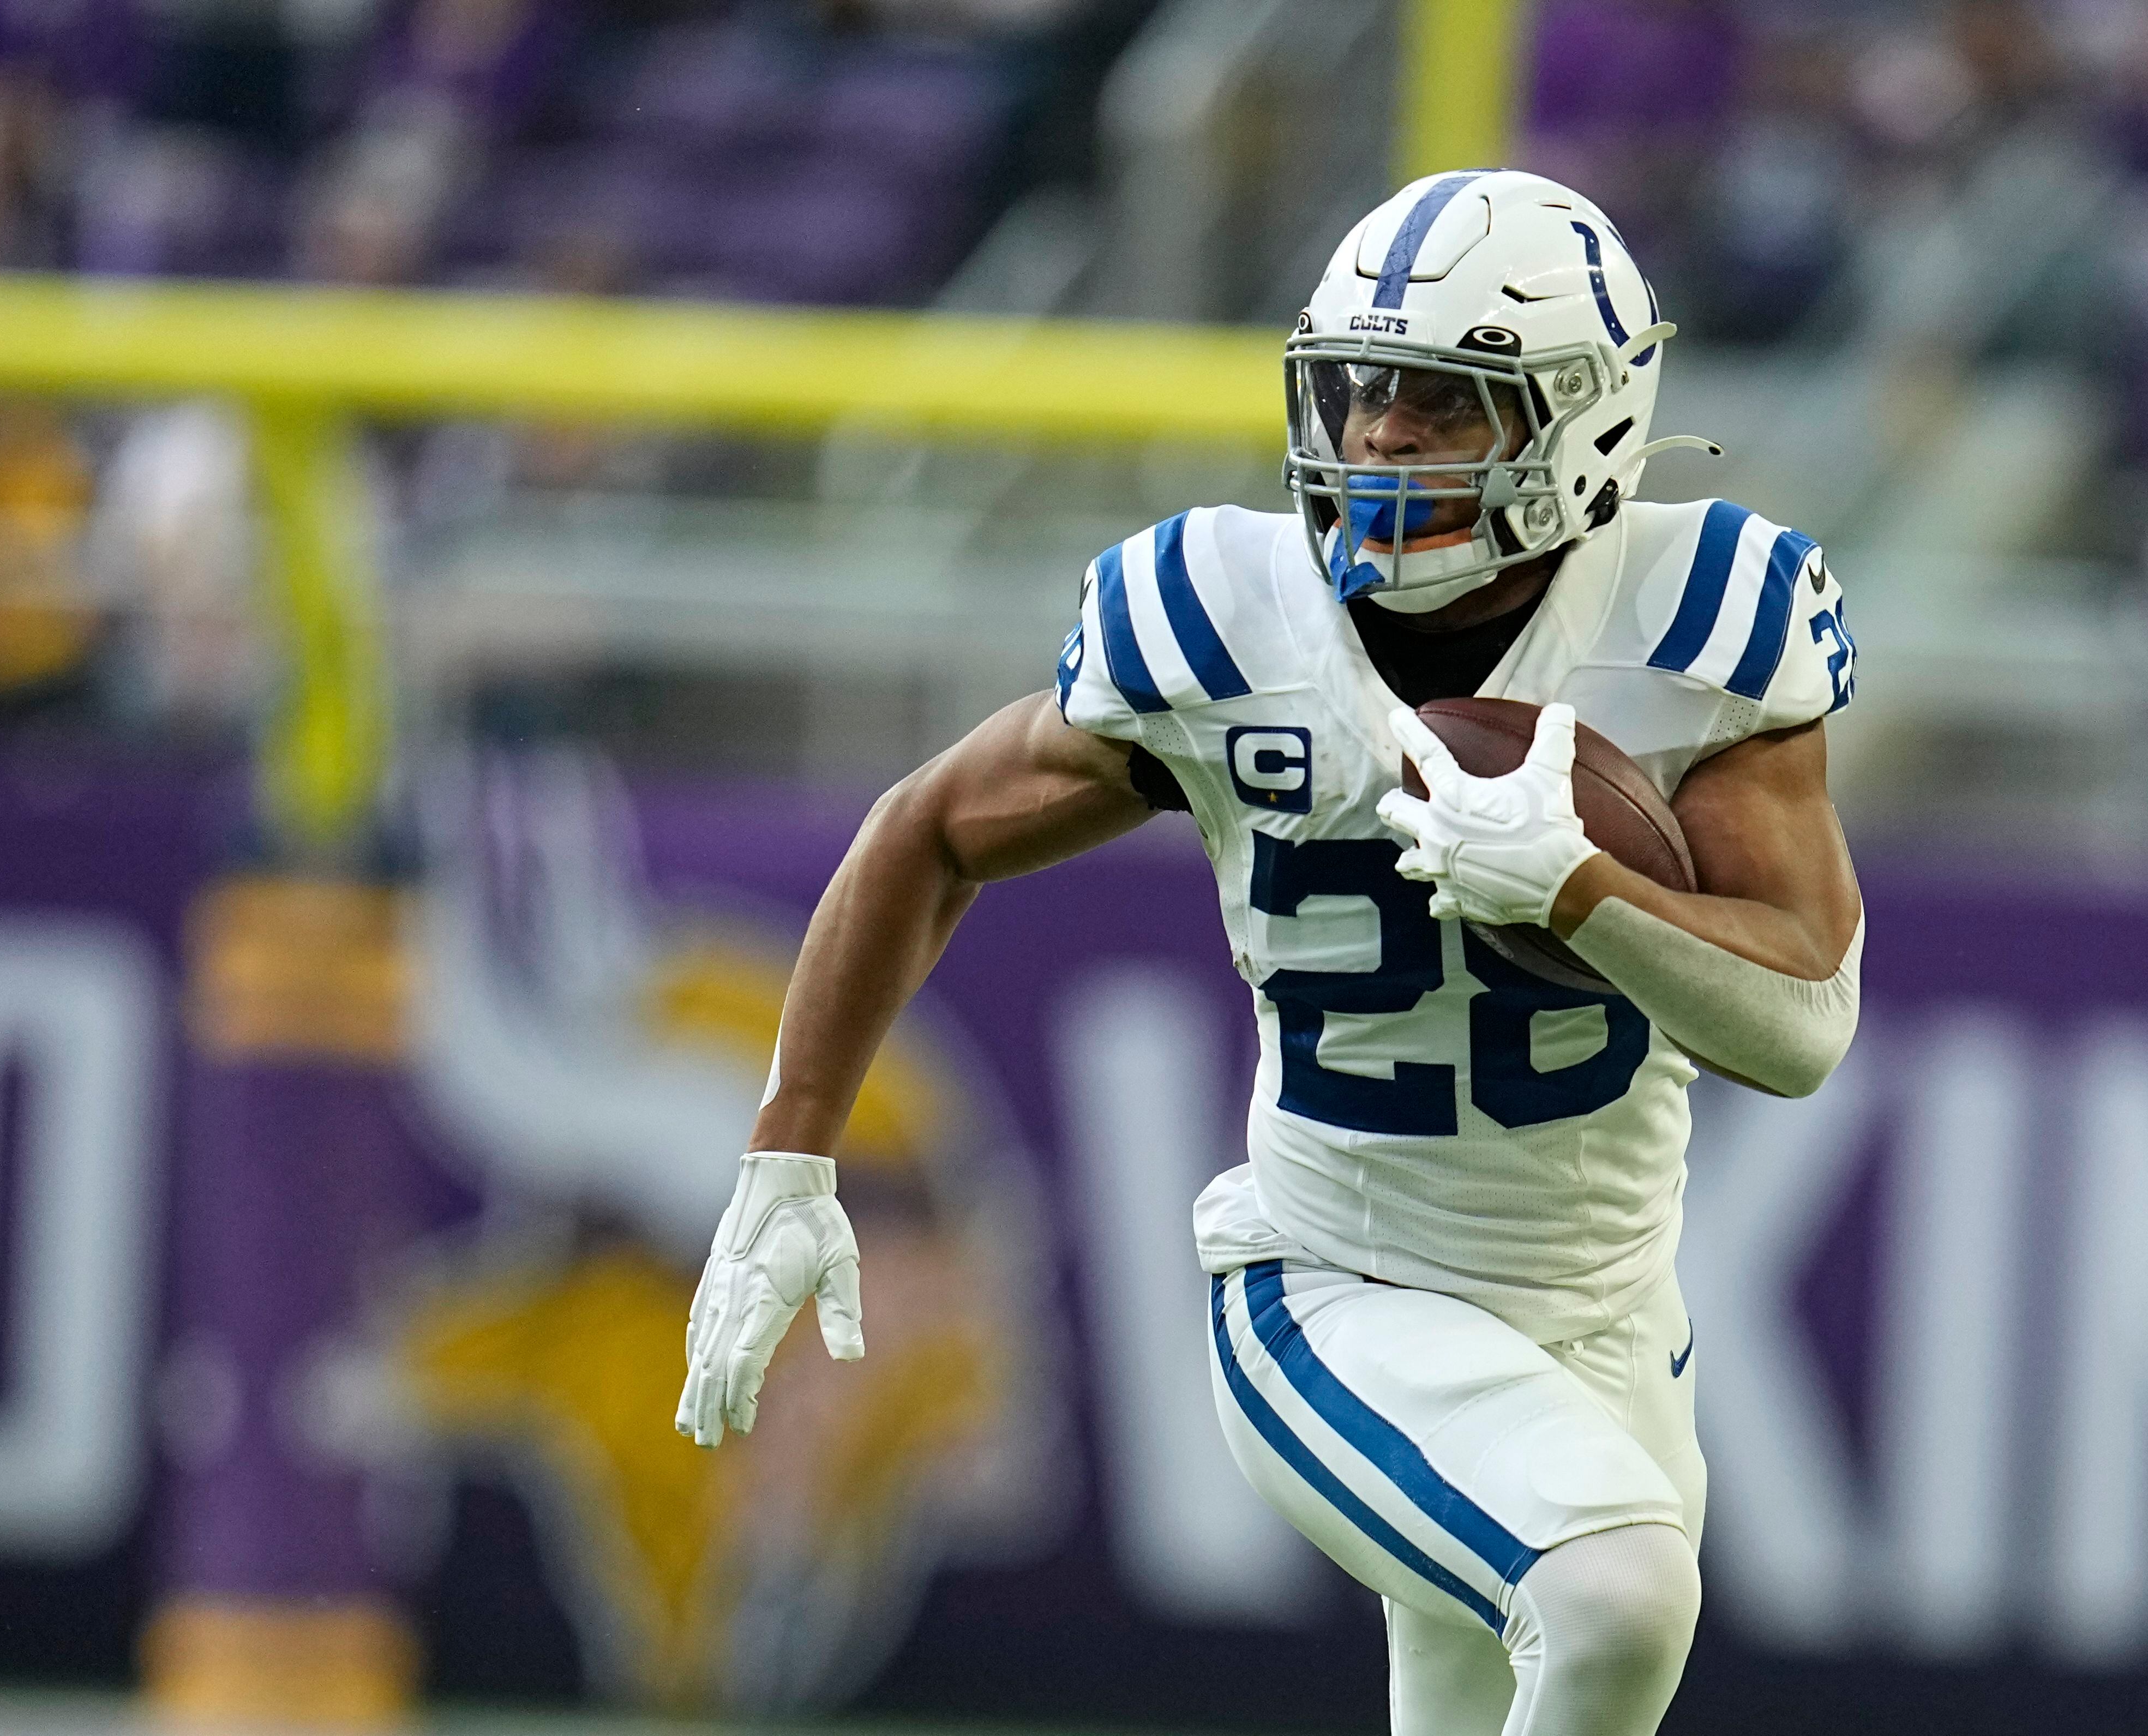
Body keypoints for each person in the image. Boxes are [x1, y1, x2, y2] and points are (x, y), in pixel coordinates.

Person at [676, 169, 1865, 1735]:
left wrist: (1575, 889)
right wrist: (789, 1156)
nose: (1376, 440)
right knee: (1613, 1598)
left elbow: (1801, 1022)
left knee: (1567, 1648)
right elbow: (932, 828)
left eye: (1441, 406)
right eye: (1361, 393)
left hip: (1612, 1314)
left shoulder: (1697, 617)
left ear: (1579, 425)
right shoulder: (1233, 617)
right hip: (1337, 1283)